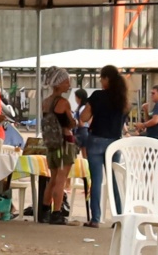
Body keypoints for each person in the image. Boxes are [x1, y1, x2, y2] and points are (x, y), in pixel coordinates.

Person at [78, 63, 128, 227]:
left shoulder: (98, 96)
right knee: (114, 181)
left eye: (101, 78)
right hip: (115, 141)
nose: (100, 81)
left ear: (107, 78)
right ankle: (119, 217)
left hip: (97, 139)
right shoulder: (123, 99)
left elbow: (84, 117)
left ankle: (96, 218)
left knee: (97, 181)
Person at [38, 67, 77, 223]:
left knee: (53, 178)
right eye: (66, 81)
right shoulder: (63, 102)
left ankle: (45, 210)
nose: (69, 85)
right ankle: (57, 213)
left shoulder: (46, 102)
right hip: (64, 143)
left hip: (51, 144)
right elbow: (71, 123)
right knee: (61, 179)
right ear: (58, 84)